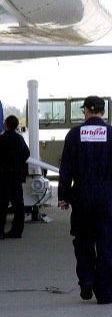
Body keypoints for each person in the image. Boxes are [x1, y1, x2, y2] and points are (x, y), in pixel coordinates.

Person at [58, 96, 112, 304]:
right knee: (106, 243)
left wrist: (63, 196)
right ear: (101, 111)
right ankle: (105, 291)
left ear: (88, 110)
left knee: (83, 241)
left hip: (82, 198)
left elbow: (66, 169)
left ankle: (87, 279)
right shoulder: (111, 134)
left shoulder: (74, 135)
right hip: (107, 198)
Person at [0, 115, 30, 239]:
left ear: (7, 124)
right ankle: (17, 230)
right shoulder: (19, 139)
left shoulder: (1, 139)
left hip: (4, 175)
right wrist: (19, 163)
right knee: (18, 204)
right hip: (16, 176)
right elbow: (27, 153)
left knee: (1, 205)